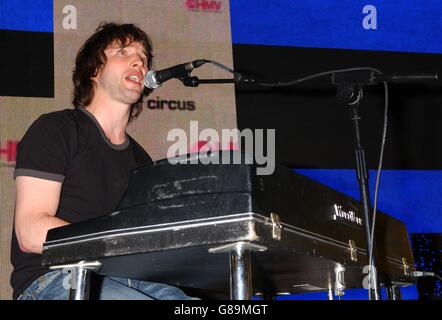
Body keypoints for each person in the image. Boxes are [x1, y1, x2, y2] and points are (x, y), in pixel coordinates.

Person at [10, 22, 195, 300]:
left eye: (143, 58)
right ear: (94, 70)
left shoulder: (141, 161)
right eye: (124, 52)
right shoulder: (56, 129)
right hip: (53, 278)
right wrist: (123, 239)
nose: (139, 62)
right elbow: (31, 232)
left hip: (130, 279)